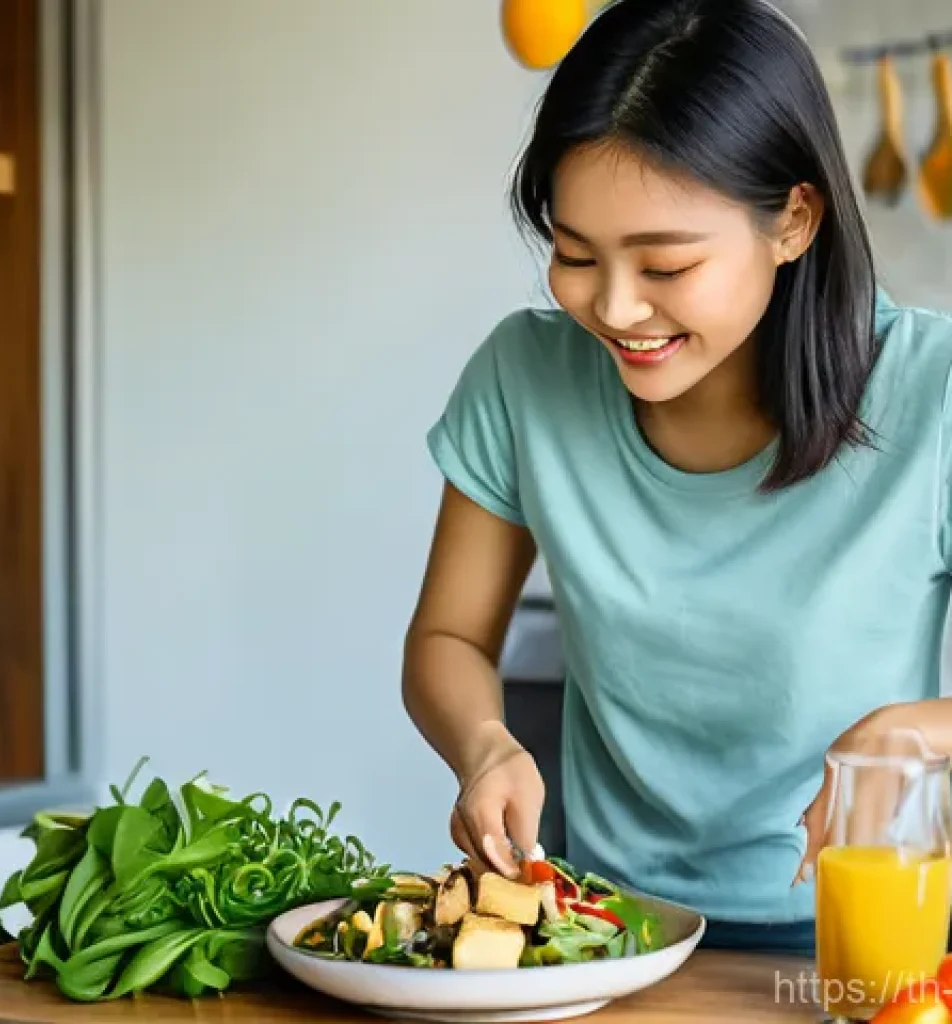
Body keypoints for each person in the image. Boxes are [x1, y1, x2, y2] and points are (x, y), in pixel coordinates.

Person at [400, 0, 952, 956]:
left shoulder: (931, 393)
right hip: (612, 938)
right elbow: (447, 636)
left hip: (865, 939)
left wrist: (926, 732)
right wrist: (485, 744)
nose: (613, 306)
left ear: (794, 218)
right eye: (575, 255)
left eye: (666, 264)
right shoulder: (523, 378)